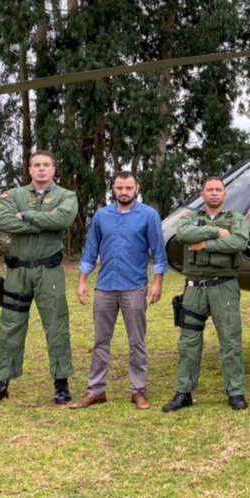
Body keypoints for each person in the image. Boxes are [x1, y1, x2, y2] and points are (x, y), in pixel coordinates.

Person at [0, 150, 79, 407]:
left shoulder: (66, 196)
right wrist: (44, 223)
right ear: (29, 169)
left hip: (49, 271)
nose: (42, 169)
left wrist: (25, 216)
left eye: (46, 164)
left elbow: (63, 218)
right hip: (17, 272)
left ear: (54, 169)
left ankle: (61, 383)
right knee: (10, 325)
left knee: (56, 326)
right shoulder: (13, 195)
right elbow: (1, 221)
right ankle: (1, 384)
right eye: (37, 165)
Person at [70, 171, 168, 411]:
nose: (124, 192)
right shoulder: (102, 216)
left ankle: (138, 390)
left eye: (128, 188)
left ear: (137, 188)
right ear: (112, 189)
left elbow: (157, 250)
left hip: (134, 287)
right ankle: (96, 390)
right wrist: (83, 281)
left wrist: (158, 282)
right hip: (104, 287)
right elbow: (90, 250)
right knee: (101, 340)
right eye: (119, 188)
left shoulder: (149, 215)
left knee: (137, 341)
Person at [162, 177, 250, 413]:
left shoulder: (236, 219)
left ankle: (235, 392)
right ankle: (184, 392)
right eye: (209, 190)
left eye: (218, 190)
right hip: (194, 288)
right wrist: (217, 232)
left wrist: (205, 245)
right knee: (188, 342)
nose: (214, 194)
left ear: (224, 194)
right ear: (202, 194)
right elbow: (183, 234)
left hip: (225, 287)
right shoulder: (191, 218)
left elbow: (240, 241)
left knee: (231, 341)